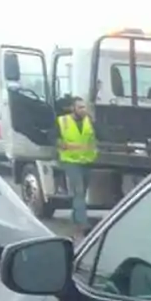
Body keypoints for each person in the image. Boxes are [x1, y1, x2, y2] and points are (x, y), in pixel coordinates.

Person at [55, 96, 97, 228]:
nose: (83, 110)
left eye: (84, 107)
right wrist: (58, 142)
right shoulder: (63, 121)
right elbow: (52, 135)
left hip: (87, 160)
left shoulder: (89, 120)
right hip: (70, 161)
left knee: (83, 191)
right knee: (78, 191)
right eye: (80, 107)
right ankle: (83, 222)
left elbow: (100, 134)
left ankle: (75, 216)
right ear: (73, 108)